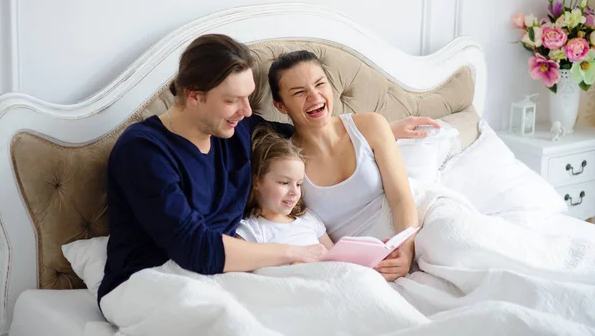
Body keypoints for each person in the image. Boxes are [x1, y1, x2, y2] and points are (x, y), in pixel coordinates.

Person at [98, 33, 437, 320]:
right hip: (149, 279)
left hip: (226, 273)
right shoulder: (143, 151)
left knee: (348, 294)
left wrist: (379, 132)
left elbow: (309, 131)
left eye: (248, 98)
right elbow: (195, 249)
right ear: (194, 95)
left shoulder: (240, 130)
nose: (246, 111)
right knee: (233, 324)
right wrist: (293, 253)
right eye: (232, 100)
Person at [268, 50, 433, 281]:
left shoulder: (371, 125)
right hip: (360, 261)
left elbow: (401, 196)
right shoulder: (287, 163)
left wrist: (406, 249)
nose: (315, 96)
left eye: (320, 84)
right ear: (281, 106)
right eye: (299, 92)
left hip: (412, 227)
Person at [236, 126, 334, 250]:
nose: (294, 192)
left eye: (299, 184)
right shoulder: (251, 230)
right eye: (284, 182)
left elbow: (336, 256)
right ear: (256, 181)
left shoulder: (308, 219)